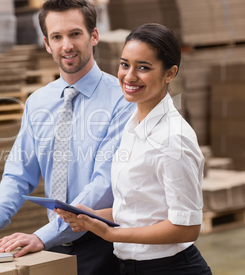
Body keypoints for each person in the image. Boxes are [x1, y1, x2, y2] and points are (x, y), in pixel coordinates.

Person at [0, 0, 135, 275]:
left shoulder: (121, 100)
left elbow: (104, 184)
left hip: (105, 244)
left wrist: (44, 235)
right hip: (55, 244)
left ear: (94, 36)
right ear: (46, 44)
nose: (66, 45)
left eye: (75, 34)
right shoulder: (38, 102)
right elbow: (19, 173)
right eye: (57, 37)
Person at [56, 23, 212, 275]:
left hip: (170, 269)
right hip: (131, 267)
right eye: (125, 64)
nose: (129, 76)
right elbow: (140, 207)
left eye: (143, 67)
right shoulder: (133, 125)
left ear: (170, 73)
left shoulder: (173, 139)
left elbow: (187, 227)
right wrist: (93, 216)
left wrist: (111, 233)